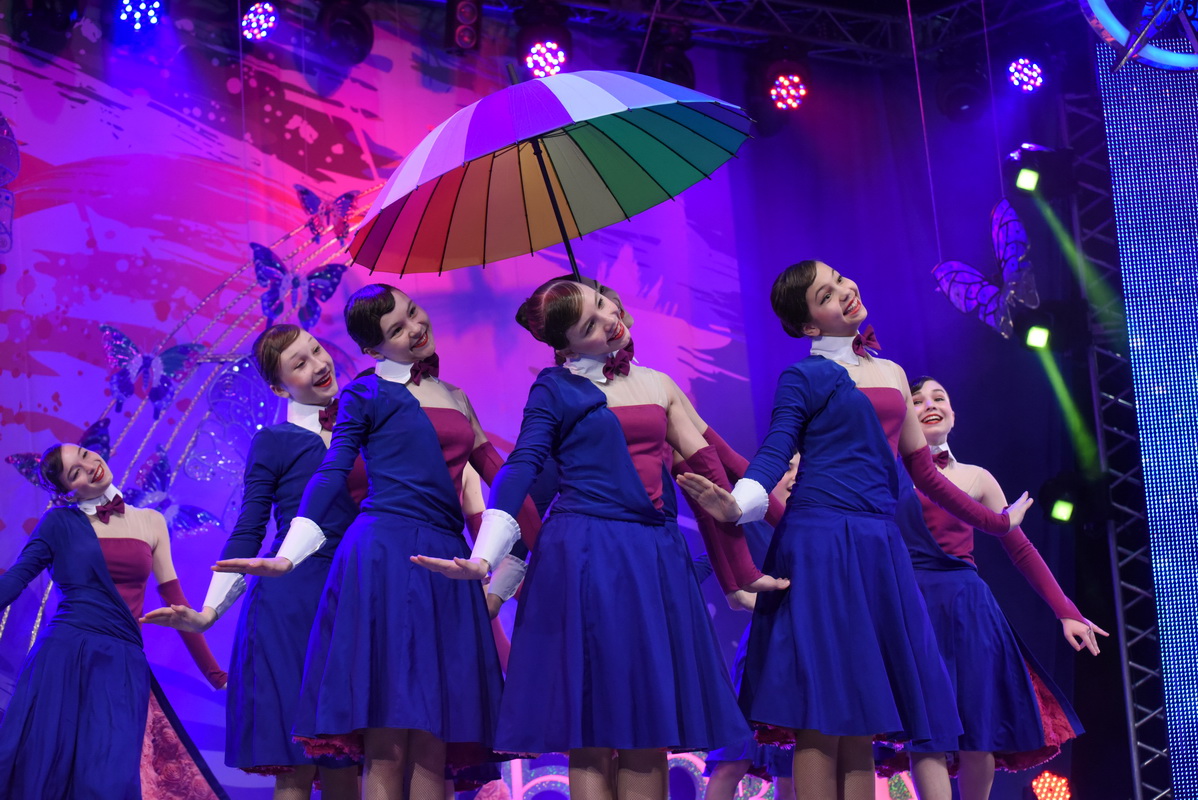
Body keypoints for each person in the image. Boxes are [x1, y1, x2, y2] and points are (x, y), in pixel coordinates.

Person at [416, 278, 785, 800]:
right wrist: (485, 557)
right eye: (589, 324)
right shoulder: (554, 388)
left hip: (653, 558)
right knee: (591, 730)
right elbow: (521, 467)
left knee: (649, 727)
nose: (609, 319)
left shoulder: (658, 383)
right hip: (588, 558)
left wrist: (761, 533)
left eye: (603, 305)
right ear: (565, 346)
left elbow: (710, 463)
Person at [679, 260, 1033, 800]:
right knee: (821, 716)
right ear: (809, 325)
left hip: (876, 548)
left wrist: (998, 521)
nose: (845, 291)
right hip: (819, 543)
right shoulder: (803, 376)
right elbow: (776, 450)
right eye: (826, 294)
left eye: (840, 279)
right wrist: (738, 504)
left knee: (863, 716)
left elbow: (925, 474)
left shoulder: (892, 373)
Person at [213, 284, 539, 800]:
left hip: (445, 560)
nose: (415, 328)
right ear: (372, 348)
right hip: (385, 555)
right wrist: (289, 554)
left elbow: (503, 479)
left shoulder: (456, 396)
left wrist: (536, 552)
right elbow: (330, 473)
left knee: (436, 737)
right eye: (396, 329)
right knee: (388, 739)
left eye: (413, 313)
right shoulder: (363, 394)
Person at [143, 325, 362, 799]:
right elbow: (249, 528)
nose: (318, 365)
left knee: (348, 761)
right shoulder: (276, 441)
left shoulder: (364, 424)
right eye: (299, 364)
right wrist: (209, 612)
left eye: (316, 351)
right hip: (292, 604)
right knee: (298, 762)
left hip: (356, 592)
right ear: (280, 389)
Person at [888, 376, 1107, 799]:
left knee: (979, 729)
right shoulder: (886, 475)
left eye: (939, 397)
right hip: (911, 606)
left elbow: (1020, 550)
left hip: (969, 611)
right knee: (925, 728)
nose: (930, 404)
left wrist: (1066, 610)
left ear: (953, 414)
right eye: (917, 400)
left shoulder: (977, 477)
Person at [0, 443, 227, 799]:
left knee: (109, 780)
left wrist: (216, 676)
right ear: (68, 491)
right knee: (45, 771)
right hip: (63, 659)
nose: (89, 465)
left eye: (85, 454)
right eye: (75, 472)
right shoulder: (58, 523)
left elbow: (178, 604)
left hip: (121, 664)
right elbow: (15, 580)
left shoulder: (151, 521)